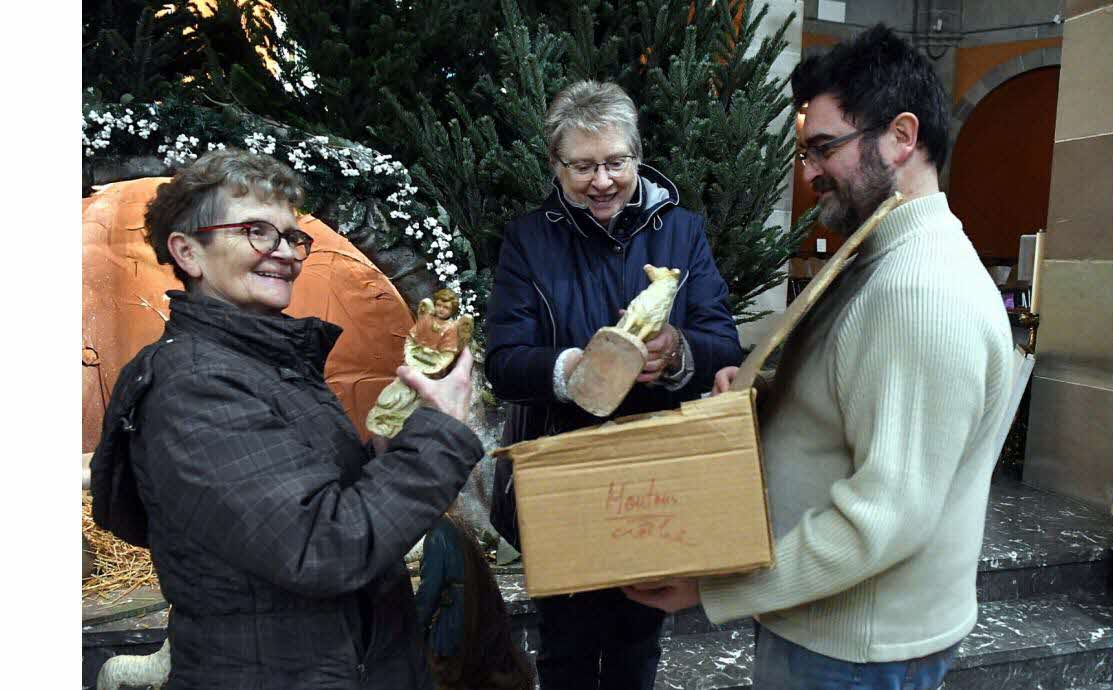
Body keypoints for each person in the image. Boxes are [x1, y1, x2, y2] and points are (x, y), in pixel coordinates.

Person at [623, 25, 1015, 690]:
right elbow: (857, 387)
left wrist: (716, 587)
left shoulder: (920, 293)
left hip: (853, 648)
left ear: (901, 136)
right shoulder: (882, 254)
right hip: (826, 630)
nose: (806, 173)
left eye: (823, 148)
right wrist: (767, 388)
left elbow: (886, 515)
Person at [89, 148, 482, 689]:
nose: (285, 253)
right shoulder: (193, 387)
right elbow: (323, 548)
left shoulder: (268, 365)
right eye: (256, 231)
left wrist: (396, 443)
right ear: (188, 253)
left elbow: (322, 498)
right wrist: (444, 433)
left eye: (291, 237)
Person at [485, 80, 743, 689]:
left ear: (636, 155)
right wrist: (571, 370)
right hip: (560, 465)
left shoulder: (681, 231)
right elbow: (503, 360)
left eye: (615, 163)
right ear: (556, 165)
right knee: (566, 647)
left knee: (637, 641)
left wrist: (677, 352)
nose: (601, 181)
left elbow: (722, 341)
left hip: (651, 473)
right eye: (582, 166)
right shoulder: (529, 239)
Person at [413, 511, 533, 690]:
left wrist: (412, 629)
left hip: (454, 626)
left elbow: (428, 593)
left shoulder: (437, 535)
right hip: (470, 619)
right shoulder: (454, 525)